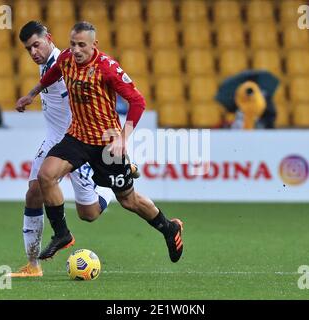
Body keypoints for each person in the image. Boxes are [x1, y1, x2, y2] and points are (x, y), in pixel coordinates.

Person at [16, 21, 184, 263]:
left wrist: (123, 139)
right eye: (72, 44)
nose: (75, 49)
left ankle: (169, 228)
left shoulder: (107, 68)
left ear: (94, 45)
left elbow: (138, 102)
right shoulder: (66, 59)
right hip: (77, 136)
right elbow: (53, 74)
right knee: (46, 176)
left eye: (81, 45)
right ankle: (62, 234)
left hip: (106, 142)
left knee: (128, 200)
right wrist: (31, 94)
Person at [8, 21, 117, 278]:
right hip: (53, 139)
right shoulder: (47, 66)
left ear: (49, 38)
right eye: (28, 49)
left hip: (76, 142)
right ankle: (33, 266)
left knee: (89, 214)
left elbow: (98, 90)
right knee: (33, 193)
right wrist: (31, 95)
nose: (33, 52)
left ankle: (109, 183)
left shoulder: (68, 62)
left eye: (36, 45)